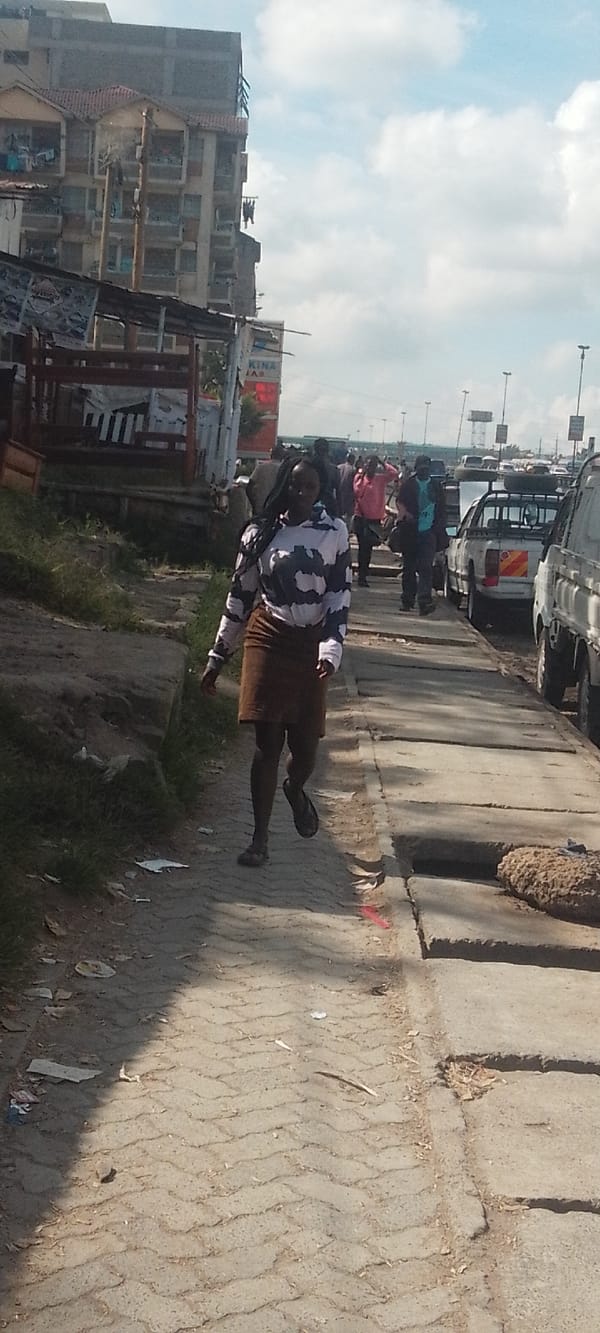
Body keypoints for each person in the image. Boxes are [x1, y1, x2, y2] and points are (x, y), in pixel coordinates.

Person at [201, 453, 352, 868]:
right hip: (267, 636)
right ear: (284, 484)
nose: (301, 493)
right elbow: (239, 596)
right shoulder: (258, 533)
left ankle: (296, 789)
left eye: (311, 487)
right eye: (295, 485)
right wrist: (217, 657)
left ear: (321, 491)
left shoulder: (334, 532)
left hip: (312, 645)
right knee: (267, 744)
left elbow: (339, 594)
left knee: (304, 749)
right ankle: (259, 839)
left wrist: (331, 648)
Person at [396, 454, 447, 615]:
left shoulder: (436, 486)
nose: (424, 470)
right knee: (409, 568)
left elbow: (442, 509)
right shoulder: (409, 485)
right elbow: (399, 502)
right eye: (421, 467)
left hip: (428, 533)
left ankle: (424, 601)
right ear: (416, 468)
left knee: (426, 568)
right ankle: (407, 600)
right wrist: (405, 514)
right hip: (410, 532)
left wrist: (438, 528)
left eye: (426, 467)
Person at [353, 455, 399, 587]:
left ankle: (364, 573)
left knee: (368, 548)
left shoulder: (380, 479)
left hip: (373, 520)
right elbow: (356, 492)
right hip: (361, 518)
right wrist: (361, 476)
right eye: (368, 465)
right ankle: (362, 576)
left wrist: (383, 462)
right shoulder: (359, 479)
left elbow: (394, 473)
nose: (370, 467)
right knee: (363, 547)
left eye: (373, 465)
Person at [247, 441, 285, 514]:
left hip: (260, 507)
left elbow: (249, 487)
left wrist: (253, 504)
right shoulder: (284, 470)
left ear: (271, 455)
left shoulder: (261, 467)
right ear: (282, 456)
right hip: (276, 508)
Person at [313, 437, 341, 517]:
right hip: (328, 506)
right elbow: (338, 492)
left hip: (311, 504)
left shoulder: (307, 467)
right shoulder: (333, 469)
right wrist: (340, 511)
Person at [337, 451, 356, 527]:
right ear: (353, 460)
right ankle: (346, 532)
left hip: (338, 495)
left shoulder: (338, 467)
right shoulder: (353, 469)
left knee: (338, 515)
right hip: (349, 496)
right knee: (348, 517)